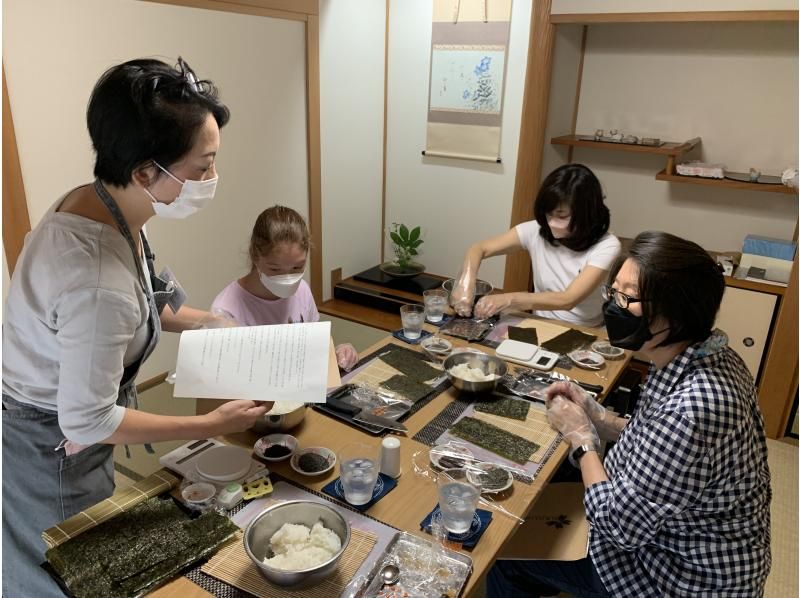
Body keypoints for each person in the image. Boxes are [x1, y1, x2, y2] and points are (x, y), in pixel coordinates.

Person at [2, 58, 273, 597]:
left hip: (64, 419)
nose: (211, 180)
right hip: (48, 445)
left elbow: (148, 300)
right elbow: (90, 416)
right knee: (70, 574)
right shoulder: (95, 279)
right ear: (147, 172)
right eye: (202, 167)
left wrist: (210, 321)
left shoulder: (102, 203)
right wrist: (209, 424)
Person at [488, 231, 772, 597]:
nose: (615, 307)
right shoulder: (704, 353)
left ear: (680, 310)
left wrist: (583, 441)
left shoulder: (695, 408)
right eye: (614, 293)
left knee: (506, 556)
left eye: (630, 298)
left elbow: (617, 527)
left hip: (682, 576)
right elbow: (653, 439)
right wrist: (597, 416)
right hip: (684, 539)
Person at [451, 164, 620, 327]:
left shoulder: (607, 246)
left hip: (583, 328)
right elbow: (479, 248)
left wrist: (508, 299)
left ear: (586, 213)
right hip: (540, 323)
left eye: (562, 216)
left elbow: (567, 299)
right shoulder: (535, 230)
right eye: (548, 213)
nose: (552, 223)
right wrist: (466, 282)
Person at [211, 205, 359, 370]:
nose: (287, 278)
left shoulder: (302, 289)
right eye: (275, 269)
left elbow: (315, 347)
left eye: (297, 268)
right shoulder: (226, 310)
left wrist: (338, 352)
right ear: (255, 256)